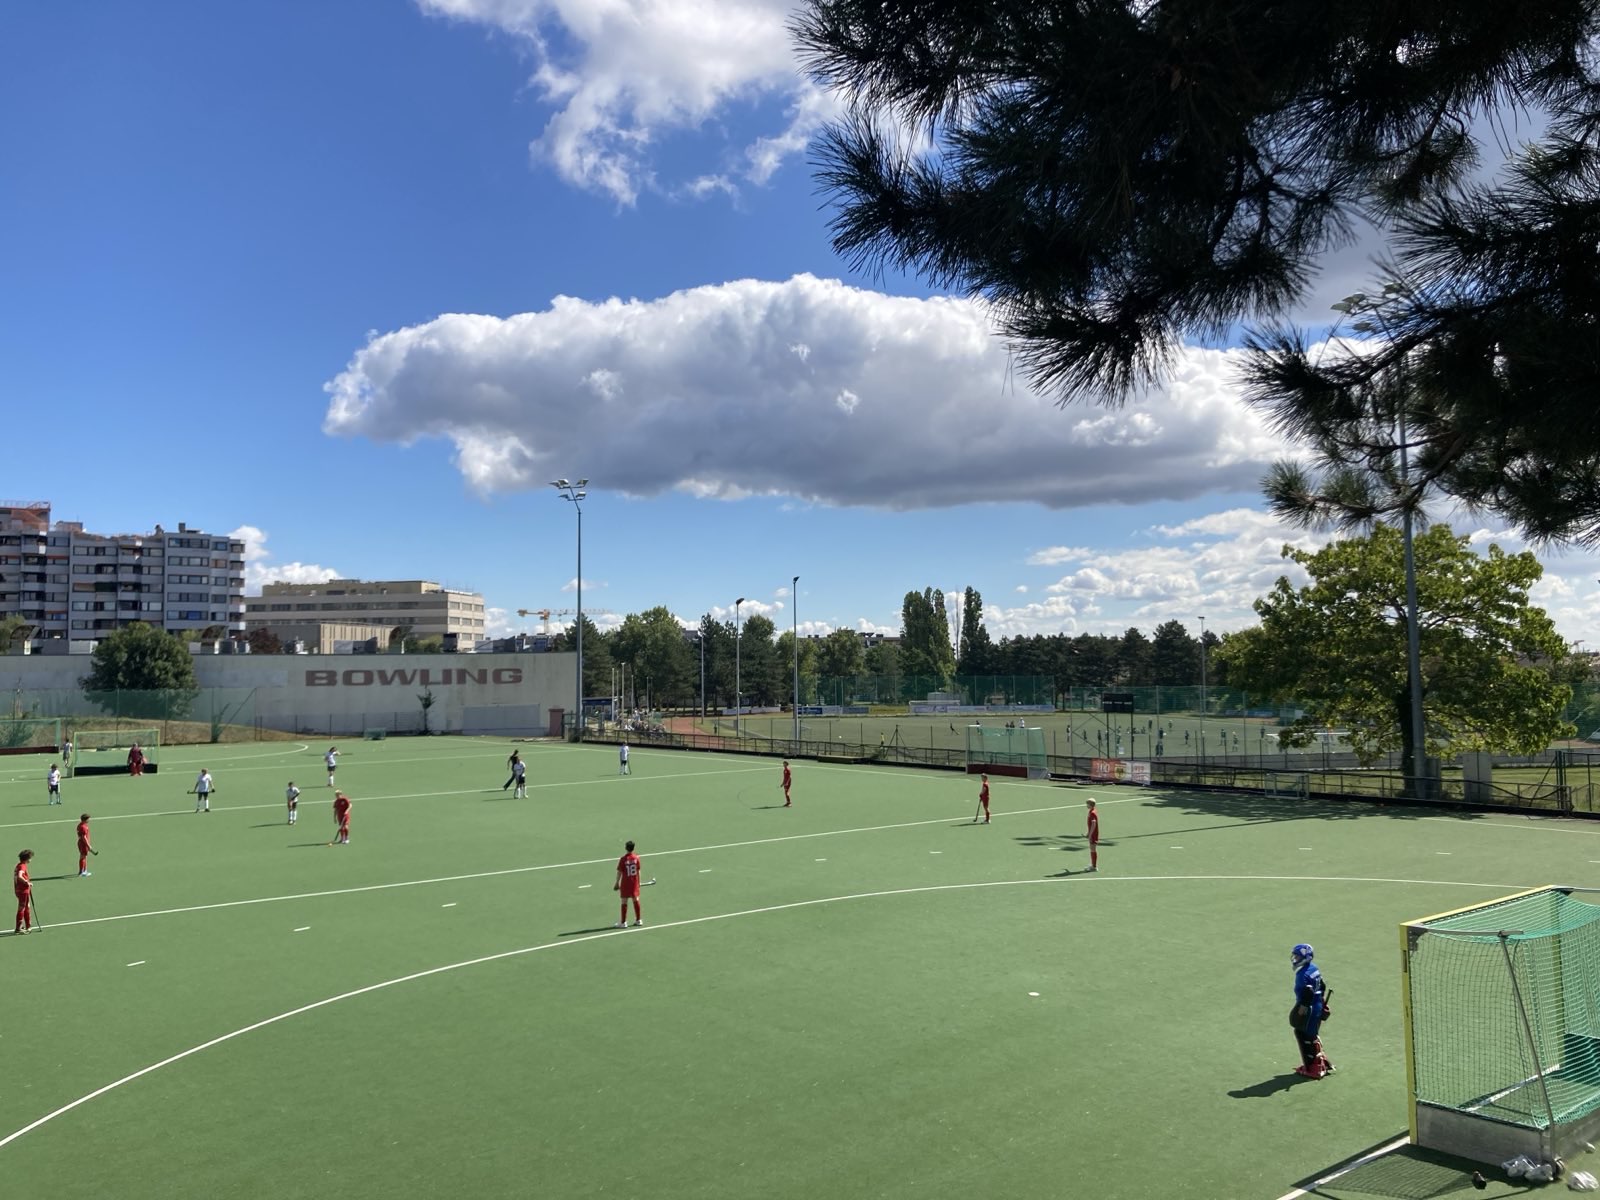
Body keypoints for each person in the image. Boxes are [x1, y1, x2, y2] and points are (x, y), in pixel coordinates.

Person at [1290, 943, 1335, 1079]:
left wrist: (1303, 1008)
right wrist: (1321, 1001)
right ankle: (1323, 1063)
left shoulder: (1302, 974)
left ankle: (1313, 1068)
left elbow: (1308, 992)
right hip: (1317, 1005)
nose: (1295, 959)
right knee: (1312, 1034)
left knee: (1304, 1034)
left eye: (1297, 956)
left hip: (1309, 1008)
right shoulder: (1314, 968)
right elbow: (1322, 985)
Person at [614, 839, 642, 927]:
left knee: (624, 901)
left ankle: (623, 922)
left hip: (625, 883)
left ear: (626, 848)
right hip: (634, 883)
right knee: (636, 900)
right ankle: (638, 920)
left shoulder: (623, 859)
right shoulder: (636, 858)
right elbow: (638, 871)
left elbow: (619, 872)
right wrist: (639, 883)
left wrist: (616, 883)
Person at [13, 849, 33, 935]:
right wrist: (26, 882)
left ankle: (27, 925)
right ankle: (18, 928)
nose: (31, 859)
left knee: (26, 906)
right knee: (22, 908)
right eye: (30, 858)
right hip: (23, 891)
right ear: (26, 858)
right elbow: (19, 876)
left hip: (19, 890)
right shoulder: (22, 866)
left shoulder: (18, 865)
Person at [76, 813, 93, 877]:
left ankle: (84, 871)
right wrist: (88, 845)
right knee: (83, 857)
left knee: (84, 856)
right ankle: (81, 872)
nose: (89, 820)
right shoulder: (83, 827)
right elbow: (84, 837)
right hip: (83, 844)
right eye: (88, 819)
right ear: (85, 820)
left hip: (81, 843)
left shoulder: (80, 825)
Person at [1086, 798, 1100, 872]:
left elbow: (1094, 824)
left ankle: (1094, 867)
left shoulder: (1092, 813)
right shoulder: (1092, 811)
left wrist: (1090, 835)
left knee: (1093, 849)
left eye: (1087, 804)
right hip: (1092, 833)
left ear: (1090, 805)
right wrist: (1088, 833)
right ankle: (1093, 865)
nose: (1086, 805)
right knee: (1092, 849)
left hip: (1094, 834)